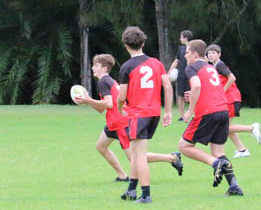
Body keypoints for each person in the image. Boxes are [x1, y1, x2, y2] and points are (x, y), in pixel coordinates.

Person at [76, 54, 183, 182]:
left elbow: (109, 103)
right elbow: (101, 109)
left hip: (120, 123)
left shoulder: (103, 81)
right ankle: (122, 176)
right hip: (114, 122)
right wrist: (88, 101)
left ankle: (172, 158)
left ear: (104, 68)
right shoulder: (109, 81)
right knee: (101, 146)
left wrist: (89, 100)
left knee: (134, 157)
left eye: (96, 65)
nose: (93, 68)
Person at [178, 39, 244, 196]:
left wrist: (190, 110)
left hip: (208, 112)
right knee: (218, 151)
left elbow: (197, 85)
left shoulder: (191, 67)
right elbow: (211, 88)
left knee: (184, 146)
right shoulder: (210, 68)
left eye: (187, 52)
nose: (185, 56)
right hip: (223, 110)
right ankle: (234, 186)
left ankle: (215, 164)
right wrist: (194, 95)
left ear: (194, 54)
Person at [116, 26, 174, 204]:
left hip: (138, 114)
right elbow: (167, 86)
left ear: (126, 45)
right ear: (143, 43)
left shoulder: (126, 67)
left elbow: (122, 96)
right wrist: (168, 111)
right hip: (154, 113)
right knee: (136, 153)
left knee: (140, 155)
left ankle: (146, 195)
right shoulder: (156, 63)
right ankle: (131, 190)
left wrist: (119, 107)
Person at [206, 44, 261, 157]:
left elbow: (232, 78)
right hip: (229, 99)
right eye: (209, 53)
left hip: (231, 99)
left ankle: (252, 128)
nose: (210, 55)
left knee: (224, 128)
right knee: (226, 128)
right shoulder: (214, 66)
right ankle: (242, 150)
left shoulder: (219, 65)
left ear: (219, 54)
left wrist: (222, 91)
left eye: (213, 53)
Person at [166, 30, 192, 121]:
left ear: (186, 38)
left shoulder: (194, 47)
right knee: (180, 96)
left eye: (181, 37)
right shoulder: (181, 49)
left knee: (192, 96)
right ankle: (182, 116)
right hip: (181, 75)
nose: (180, 39)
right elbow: (176, 61)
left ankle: (192, 114)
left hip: (191, 75)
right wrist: (169, 72)